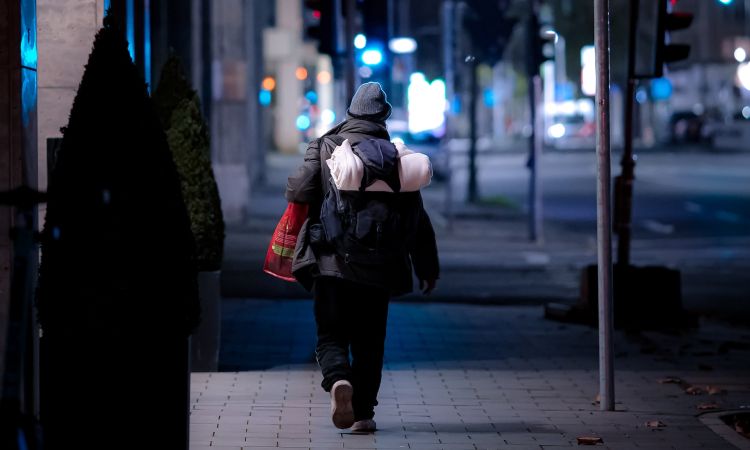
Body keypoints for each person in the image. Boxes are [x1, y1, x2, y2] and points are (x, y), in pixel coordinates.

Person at [286, 82, 439, 432]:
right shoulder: (397, 158)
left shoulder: (327, 146)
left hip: (332, 262)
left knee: (331, 332)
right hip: (381, 267)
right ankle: (363, 413)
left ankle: (339, 379)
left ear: (350, 113)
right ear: (384, 116)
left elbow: (297, 189)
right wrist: (427, 268)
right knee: (371, 340)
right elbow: (418, 219)